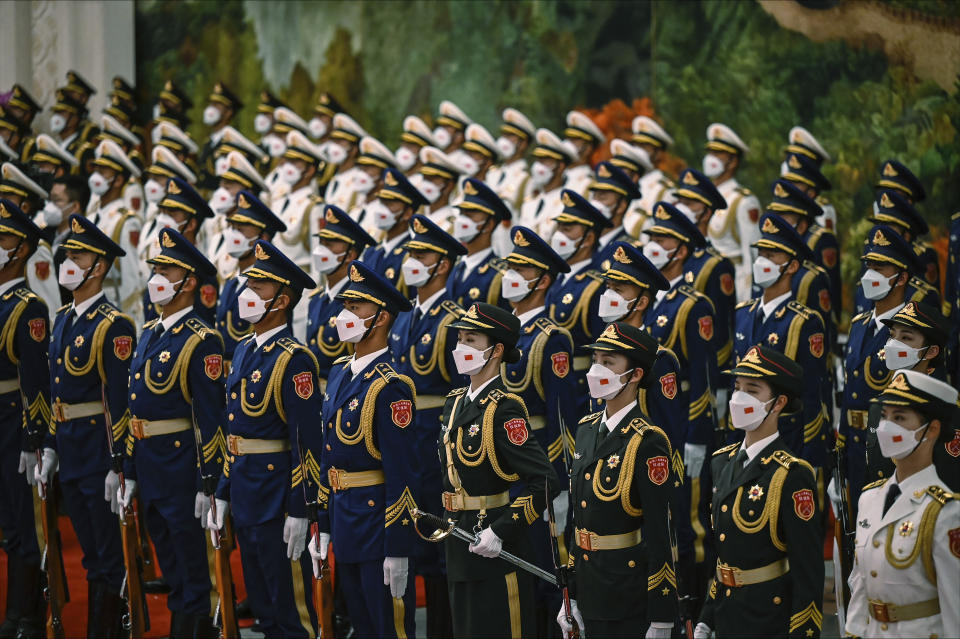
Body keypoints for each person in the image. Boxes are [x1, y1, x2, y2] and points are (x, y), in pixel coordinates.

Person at [122, 227, 225, 636]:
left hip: (182, 467)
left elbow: (211, 419)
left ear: (189, 283)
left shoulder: (202, 340)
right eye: (156, 268)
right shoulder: (149, 332)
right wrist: (129, 469)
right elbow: (135, 408)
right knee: (169, 558)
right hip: (149, 464)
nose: (156, 278)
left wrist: (209, 481)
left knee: (192, 564)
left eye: (167, 270)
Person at [438, 302, 560, 638]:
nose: (461, 347)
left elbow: (546, 482)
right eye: (460, 338)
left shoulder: (505, 408)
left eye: (472, 340)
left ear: (496, 351)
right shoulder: (454, 403)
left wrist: (503, 529)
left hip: (496, 545)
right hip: (459, 541)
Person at [311, 260, 419, 639]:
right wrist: (322, 525)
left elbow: (403, 474)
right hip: (344, 516)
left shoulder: (391, 385)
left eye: (355, 309)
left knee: (386, 626)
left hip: (376, 523)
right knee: (360, 623)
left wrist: (399, 547)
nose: (344, 316)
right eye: (345, 308)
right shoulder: (341, 371)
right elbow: (328, 455)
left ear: (382, 318)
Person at [39, 215, 134, 637]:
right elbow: (56, 390)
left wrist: (119, 462)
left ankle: (108, 629)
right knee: (90, 551)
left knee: (107, 552)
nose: (69, 262)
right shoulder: (63, 318)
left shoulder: (114, 325)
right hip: (71, 447)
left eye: (78, 256)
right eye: (68, 254)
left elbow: (119, 401)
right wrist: (49, 443)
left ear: (99, 267)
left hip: (98, 450)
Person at [695, 346, 824, 639]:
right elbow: (723, 554)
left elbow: (809, 574)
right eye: (737, 387)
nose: (739, 398)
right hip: (727, 615)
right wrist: (707, 617)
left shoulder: (792, 474)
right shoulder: (721, 461)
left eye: (752, 389)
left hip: (768, 620)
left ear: (778, 403)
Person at [561, 322, 677, 639]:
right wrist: (569, 595)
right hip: (588, 584)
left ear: (635, 374)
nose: (597, 369)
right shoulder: (585, 429)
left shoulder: (648, 440)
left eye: (609, 363)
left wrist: (662, 616)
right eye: (596, 360)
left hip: (626, 591)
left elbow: (661, 533)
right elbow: (577, 518)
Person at [388, 214, 466, 638]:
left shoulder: (452, 319)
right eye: (411, 253)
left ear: (443, 265)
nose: (411, 261)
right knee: (405, 544)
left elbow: (458, 391)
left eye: (422, 255)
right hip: (404, 446)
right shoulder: (403, 316)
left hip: (435, 449)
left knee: (439, 552)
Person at [498, 226, 576, 635]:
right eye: (509, 266)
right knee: (515, 580)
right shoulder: (503, 331)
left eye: (521, 268)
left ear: (542, 280)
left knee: (548, 579)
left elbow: (563, 421)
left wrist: (558, 489)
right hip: (503, 473)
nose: (509, 274)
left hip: (538, 478)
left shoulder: (551, 339)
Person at [642, 202, 719, 605]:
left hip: (684, 431)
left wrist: (697, 437)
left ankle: (696, 603)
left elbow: (703, 378)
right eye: (652, 237)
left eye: (664, 240)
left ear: (682, 249)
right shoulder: (651, 300)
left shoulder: (694, 305)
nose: (655, 245)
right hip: (655, 426)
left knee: (690, 523)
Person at [844, 370, 959, 639]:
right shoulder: (869, 499)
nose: (886, 426)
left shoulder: (945, 512)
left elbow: (955, 607)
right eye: (884, 416)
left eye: (899, 418)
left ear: (931, 429)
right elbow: (860, 587)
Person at [733, 213, 829, 473]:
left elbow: (812, 394)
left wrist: (811, 455)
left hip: (786, 439)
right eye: (761, 253)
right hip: (745, 436)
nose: (762, 261)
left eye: (772, 255)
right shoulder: (742, 313)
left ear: (792, 267)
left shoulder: (804, 321)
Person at [840, 225, 921, 515]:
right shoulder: (858, 325)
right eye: (868, 265)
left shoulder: (913, 331)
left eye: (879, 267)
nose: (869, 275)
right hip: (855, 452)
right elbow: (849, 394)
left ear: (901, 278)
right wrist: (841, 459)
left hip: (890, 455)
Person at [0, 199, 50, 638]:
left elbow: (35, 381)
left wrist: (35, 438)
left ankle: (25, 614)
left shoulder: (28, 306)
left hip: (13, 421)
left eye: (3, 239)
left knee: (21, 522)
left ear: (20, 250)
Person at [545, 189, 610, 416]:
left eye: (567, 229)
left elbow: (603, 351)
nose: (558, 235)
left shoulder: (597, 286)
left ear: (589, 238)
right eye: (559, 227)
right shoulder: (556, 280)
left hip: (579, 391)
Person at [672, 169, 736, 373]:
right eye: (680, 202)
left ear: (707, 212)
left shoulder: (715, 265)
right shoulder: (669, 255)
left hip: (696, 370)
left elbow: (722, 330)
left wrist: (715, 377)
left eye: (690, 204)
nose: (682, 208)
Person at [305, 204, 375, 386]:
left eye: (329, 245)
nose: (321, 250)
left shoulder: (358, 302)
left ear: (350, 254)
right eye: (321, 243)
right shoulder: (316, 299)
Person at [216, 190, 287, 367]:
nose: (233, 235)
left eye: (241, 230)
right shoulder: (232, 281)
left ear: (262, 238)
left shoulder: (268, 286)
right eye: (232, 228)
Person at [142, 177, 218, 324]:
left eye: (171, 214)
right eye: (162, 212)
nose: (163, 219)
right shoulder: (160, 263)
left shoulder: (199, 272)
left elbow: (202, 326)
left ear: (191, 224)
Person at [699, 123, 761, 303]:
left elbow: (752, 255)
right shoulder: (703, 197)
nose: (711, 159)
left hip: (733, 286)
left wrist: (748, 302)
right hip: (703, 282)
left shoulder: (743, 201)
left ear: (733, 161)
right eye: (710, 153)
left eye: (718, 154)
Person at [87, 139, 143, 323]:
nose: (96, 176)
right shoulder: (92, 213)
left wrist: (128, 324)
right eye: (96, 170)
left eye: (103, 172)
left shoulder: (125, 222)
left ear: (118, 180)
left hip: (110, 306)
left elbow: (131, 280)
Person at [360, 168, 428, 294]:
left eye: (389, 205)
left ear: (407, 213)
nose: (381, 210)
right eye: (382, 203)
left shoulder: (412, 256)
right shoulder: (371, 251)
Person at [445, 178, 509, 309]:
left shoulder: (499, 275)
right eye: (461, 214)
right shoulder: (454, 266)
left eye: (469, 215)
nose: (461, 220)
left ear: (489, 225)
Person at [561, 111, 604, 196]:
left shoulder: (590, 184)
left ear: (588, 149)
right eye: (568, 138)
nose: (568, 143)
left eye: (574, 140)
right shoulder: (556, 178)